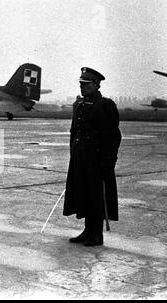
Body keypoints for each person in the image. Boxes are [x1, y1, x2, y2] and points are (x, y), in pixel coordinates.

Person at [63, 67, 121, 247]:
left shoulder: (105, 105)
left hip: (96, 159)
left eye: (86, 84)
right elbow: (74, 131)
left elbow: (113, 136)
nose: (82, 87)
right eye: (81, 84)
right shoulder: (79, 104)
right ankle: (87, 230)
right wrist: (74, 151)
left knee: (96, 195)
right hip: (81, 157)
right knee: (83, 192)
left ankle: (96, 234)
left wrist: (107, 162)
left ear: (96, 85)